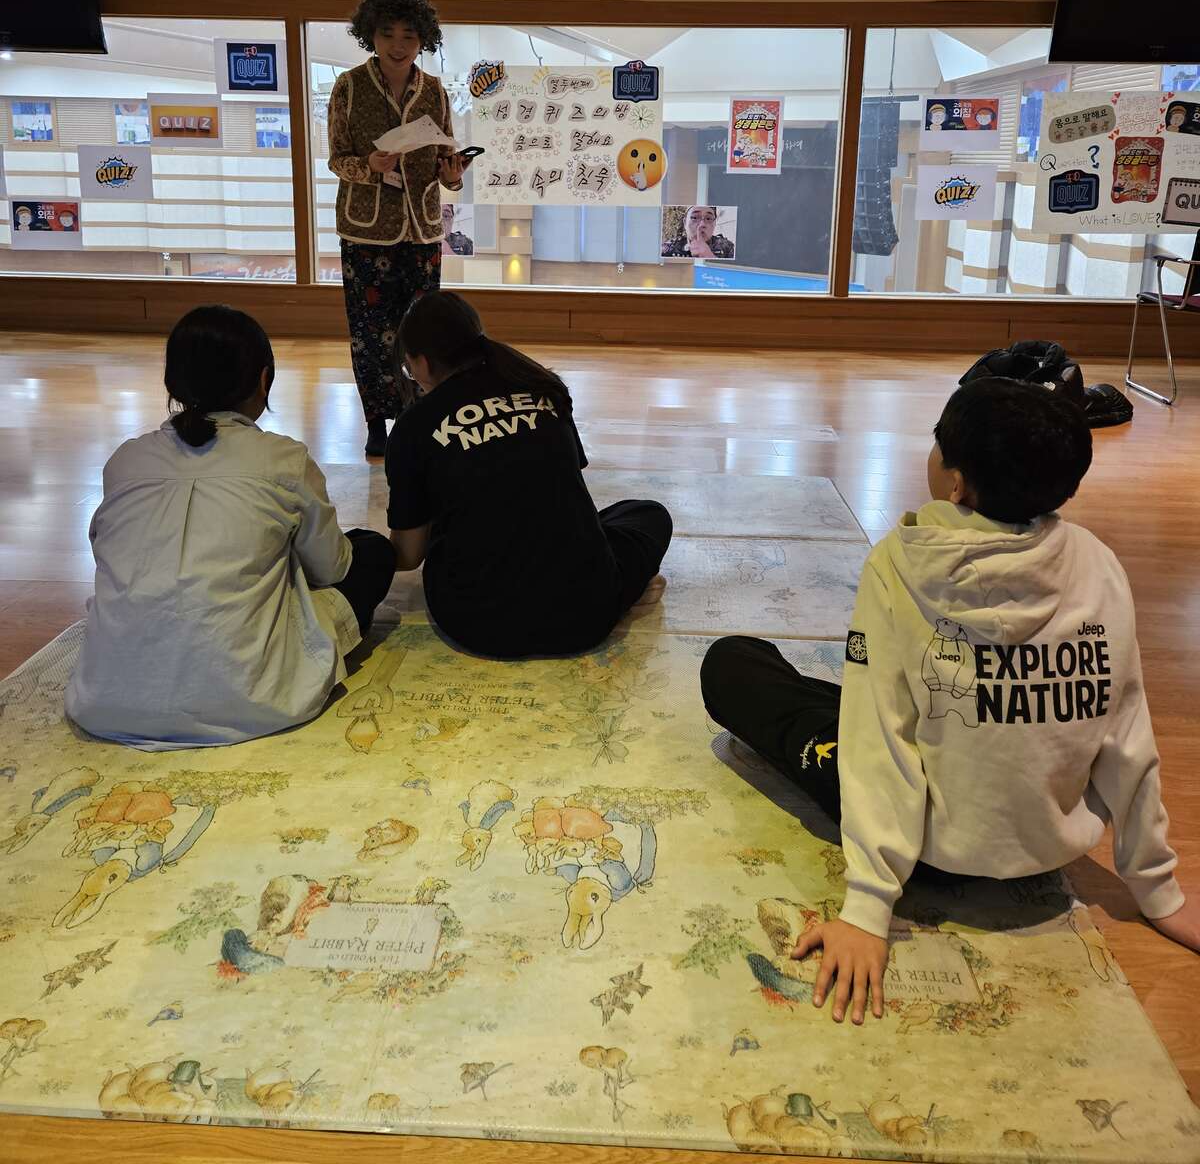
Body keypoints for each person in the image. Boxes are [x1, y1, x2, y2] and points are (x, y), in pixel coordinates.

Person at [700, 378, 1198, 1027]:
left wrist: (868, 909)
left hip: (926, 855)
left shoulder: (900, 564)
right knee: (867, 697)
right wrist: (1158, 889)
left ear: (956, 484)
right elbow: (1126, 731)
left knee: (732, 664)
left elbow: (880, 738)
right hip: (1042, 847)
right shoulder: (1099, 564)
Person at [65, 306, 396, 749]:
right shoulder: (283, 459)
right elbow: (332, 569)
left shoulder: (126, 460)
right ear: (263, 380)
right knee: (371, 551)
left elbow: (107, 553)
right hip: (254, 700)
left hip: (107, 701)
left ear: (172, 383)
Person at [384, 291, 672, 657]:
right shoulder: (543, 387)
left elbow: (408, 556)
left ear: (422, 364)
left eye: (408, 369)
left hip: (474, 622)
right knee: (648, 514)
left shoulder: (413, 426)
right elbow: (558, 490)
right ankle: (624, 586)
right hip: (587, 614)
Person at [327, 0, 472, 458]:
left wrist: (453, 174)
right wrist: (369, 166)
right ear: (370, 33)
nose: (398, 45)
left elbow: (444, 159)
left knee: (423, 331)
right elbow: (337, 159)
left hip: (422, 230)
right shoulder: (349, 88)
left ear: (422, 39)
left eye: (409, 35)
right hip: (366, 231)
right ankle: (376, 422)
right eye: (387, 33)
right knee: (369, 334)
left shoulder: (435, 91)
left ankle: (417, 414)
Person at [661, 205, 735, 260]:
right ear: (685, 222)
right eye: (695, 217)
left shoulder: (727, 247)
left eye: (708, 218)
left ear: (714, 224)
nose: (702, 224)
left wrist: (710, 257)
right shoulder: (668, 250)